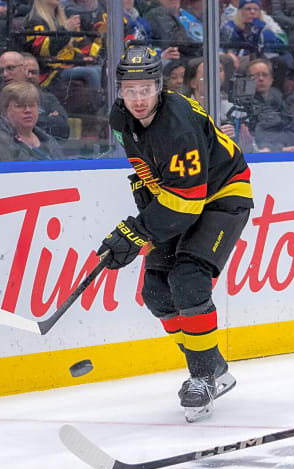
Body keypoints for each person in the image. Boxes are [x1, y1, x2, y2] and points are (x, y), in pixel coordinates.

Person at [104, 44, 253, 422]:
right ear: (119, 89)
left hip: (222, 195)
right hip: (179, 197)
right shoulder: (120, 120)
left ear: (160, 87)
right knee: (156, 291)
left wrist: (137, 231)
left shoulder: (178, 122)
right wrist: (145, 204)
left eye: (146, 89)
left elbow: (188, 202)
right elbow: (147, 168)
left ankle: (202, 377)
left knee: (188, 280)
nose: (138, 99)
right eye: (130, 90)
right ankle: (212, 364)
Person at [0, 81, 65, 161]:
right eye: (19, 106)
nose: (28, 110)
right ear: (5, 110)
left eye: (32, 105)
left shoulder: (48, 139)